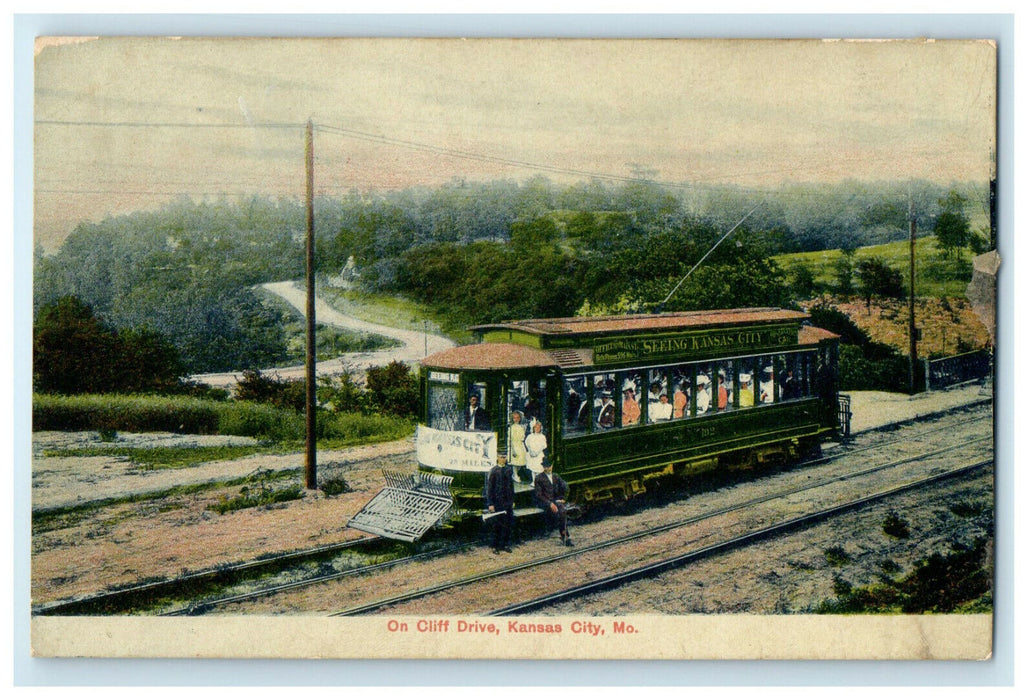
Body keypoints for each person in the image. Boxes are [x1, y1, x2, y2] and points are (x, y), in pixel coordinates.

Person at [534, 458, 572, 546]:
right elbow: (539, 495)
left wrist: (563, 498)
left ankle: (565, 536)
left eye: (550, 466)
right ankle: (564, 536)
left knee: (562, 511)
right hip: (544, 502)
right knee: (558, 513)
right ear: (543, 467)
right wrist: (550, 503)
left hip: (555, 501)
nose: (549, 468)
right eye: (546, 467)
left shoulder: (555, 476)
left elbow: (565, 486)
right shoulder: (539, 478)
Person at [485, 454, 515, 553]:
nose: (503, 459)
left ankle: (505, 544)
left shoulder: (508, 470)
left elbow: (511, 486)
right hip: (497, 502)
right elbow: (489, 489)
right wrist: (490, 504)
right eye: (501, 457)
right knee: (496, 524)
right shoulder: (494, 471)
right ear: (497, 458)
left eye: (505, 457)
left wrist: (512, 500)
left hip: (508, 502)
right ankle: (495, 546)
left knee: (507, 524)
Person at [507, 410, 528, 482]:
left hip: (520, 445)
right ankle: (515, 474)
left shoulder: (521, 427)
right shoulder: (512, 427)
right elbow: (511, 439)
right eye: (514, 418)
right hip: (514, 445)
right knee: (515, 462)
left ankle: (515, 473)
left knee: (521, 462)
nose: (516, 419)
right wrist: (513, 449)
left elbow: (522, 437)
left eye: (517, 418)